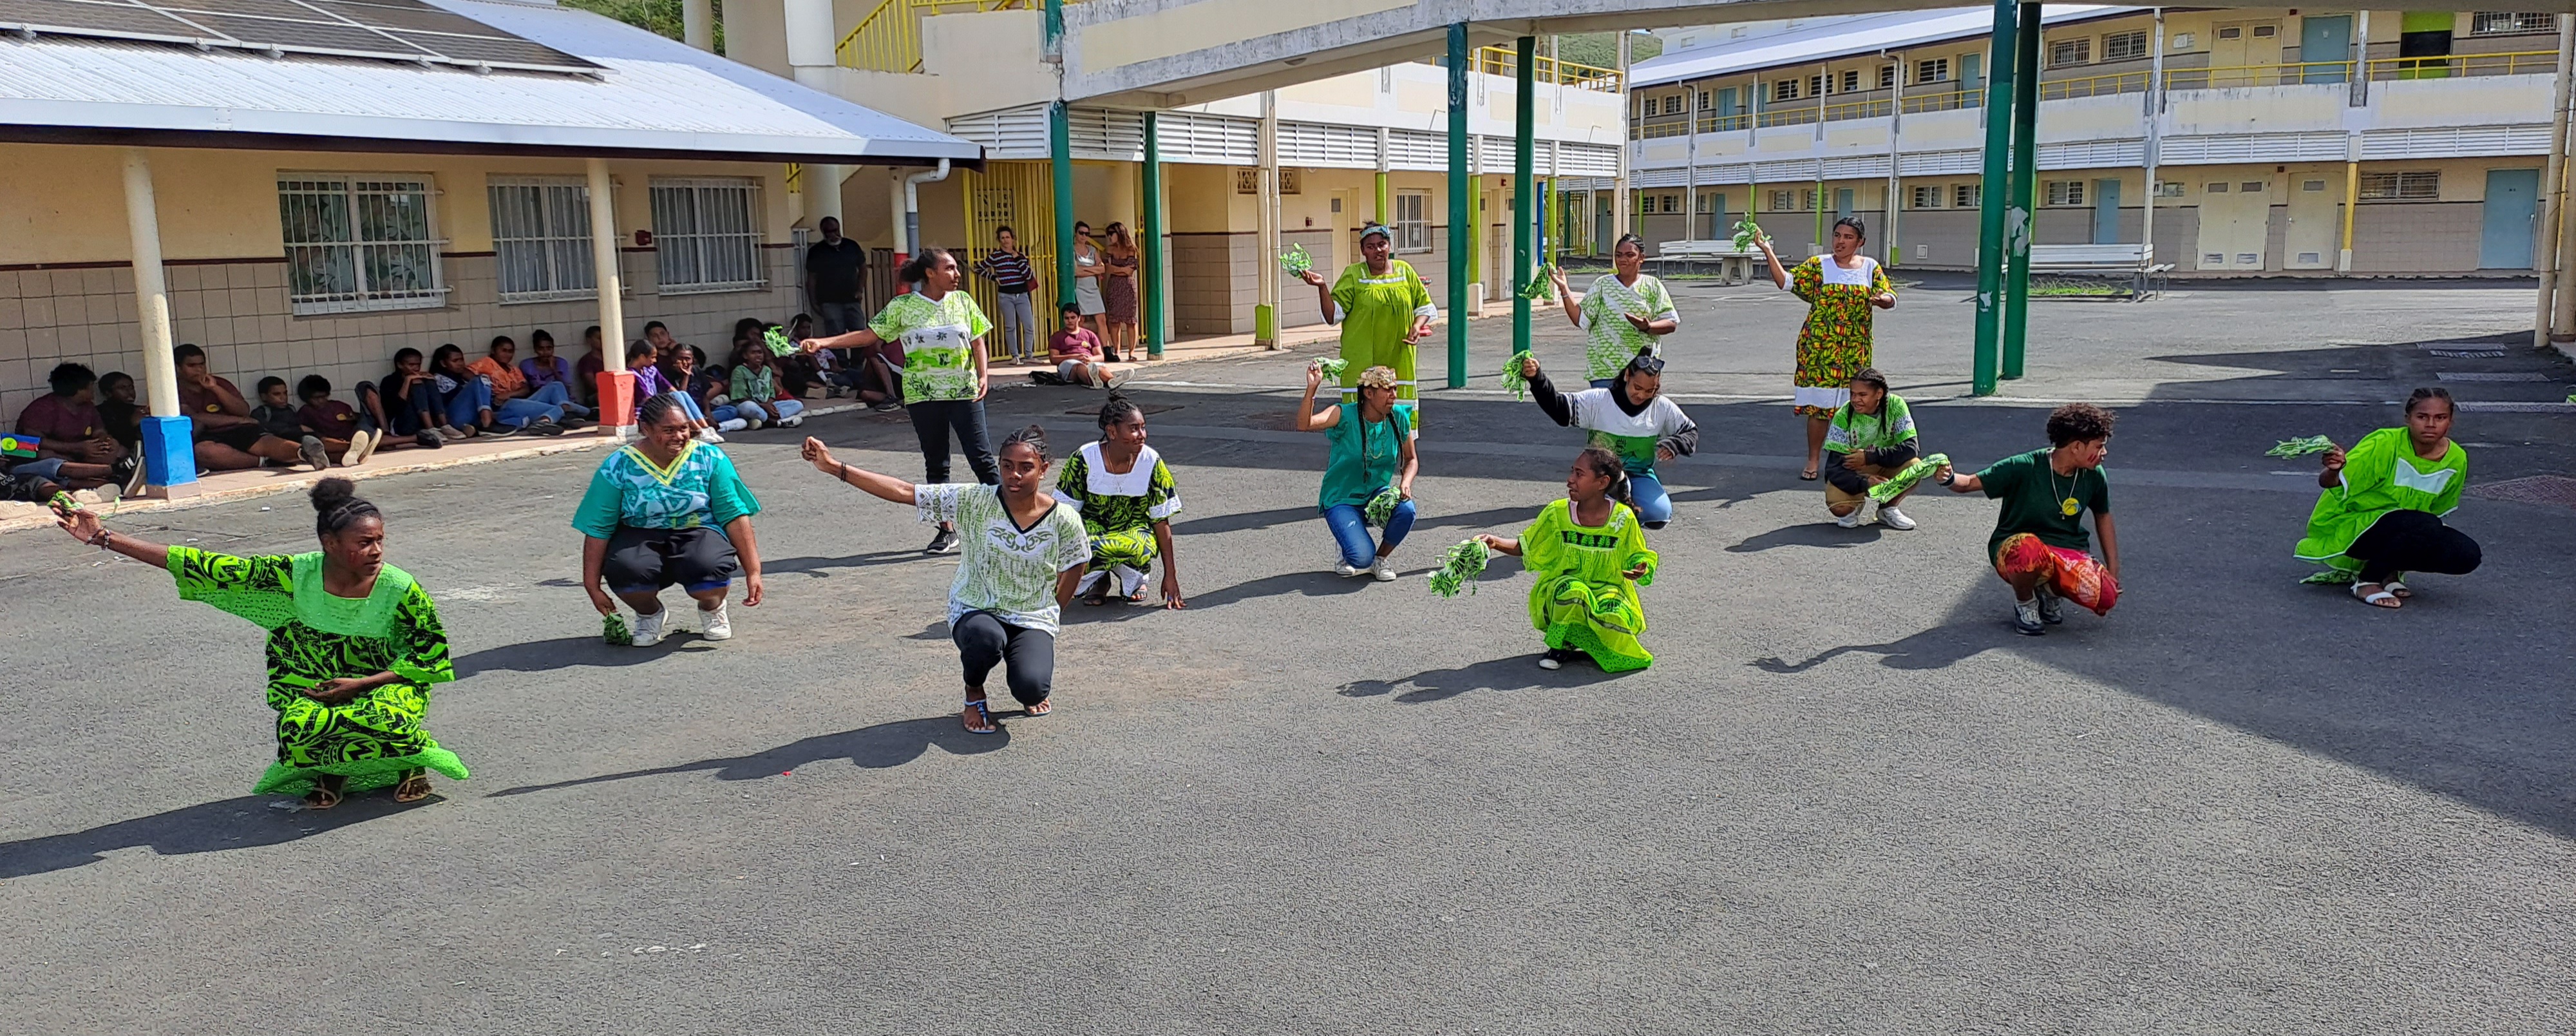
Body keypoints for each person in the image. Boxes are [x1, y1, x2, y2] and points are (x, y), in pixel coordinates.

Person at [50, 479, 467, 807]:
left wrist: (361, 684)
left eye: (380, 541)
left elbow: (429, 655)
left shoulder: (400, 587)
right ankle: (332, 772)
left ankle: (411, 766)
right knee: (301, 725)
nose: (376, 551)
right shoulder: (295, 574)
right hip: (316, 681)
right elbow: (207, 566)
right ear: (331, 544)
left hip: (385, 682)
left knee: (383, 718)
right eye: (364, 543)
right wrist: (105, 537)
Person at [802, 425, 1088, 735]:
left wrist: (1053, 609)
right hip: (977, 607)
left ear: (1043, 470)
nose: (1014, 475)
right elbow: (904, 491)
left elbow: (1077, 563)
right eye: (1007, 466)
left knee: (1032, 688)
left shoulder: (1063, 518)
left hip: (1031, 616)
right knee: (986, 640)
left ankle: (1023, 664)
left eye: (1026, 468)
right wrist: (834, 467)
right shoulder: (973, 500)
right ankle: (974, 691)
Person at [799, 247, 997, 555]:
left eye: (956, 268)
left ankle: (1006, 520)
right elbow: (869, 335)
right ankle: (946, 531)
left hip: (964, 393)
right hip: (922, 395)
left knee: (982, 459)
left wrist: (983, 375)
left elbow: (977, 340)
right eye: (949, 268)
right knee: (937, 463)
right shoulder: (903, 306)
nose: (957, 274)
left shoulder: (963, 301)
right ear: (930, 273)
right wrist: (824, 342)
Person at [574, 394, 765, 646]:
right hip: (639, 532)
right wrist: (592, 586)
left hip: (698, 529)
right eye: (668, 430)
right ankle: (649, 614)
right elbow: (599, 525)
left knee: (708, 570)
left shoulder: (710, 458)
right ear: (646, 429)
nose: (679, 436)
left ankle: (712, 609)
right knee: (627, 571)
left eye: (684, 428)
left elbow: (734, 514)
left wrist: (753, 572)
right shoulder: (619, 465)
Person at [1934, 403, 2121, 636]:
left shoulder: (2094, 475)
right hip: (2018, 548)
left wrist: (2113, 571)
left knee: (2105, 596)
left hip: (2065, 550)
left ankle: (2049, 592)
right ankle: (2026, 604)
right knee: (2028, 551)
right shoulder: (2024, 466)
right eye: (2099, 446)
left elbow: (2103, 516)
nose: (2104, 453)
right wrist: (1948, 478)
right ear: (2076, 447)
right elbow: (1969, 483)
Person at [1475, 447, 1660, 673]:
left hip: (1608, 588)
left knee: (1614, 613)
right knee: (1573, 593)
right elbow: (1526, 545)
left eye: (1579, 474)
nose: (1570, 480)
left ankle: (1596, 643)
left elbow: (1638, 554)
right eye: (1572, 471)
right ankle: (1560, 645)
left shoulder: (1623, 519)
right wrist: (1494, 542)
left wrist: (1641, 567)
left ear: (1602, 483)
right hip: (1564, 586)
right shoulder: (1557, 513)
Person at [2295, 387, 2479, 608]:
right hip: (2353, 525)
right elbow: (2329, 483)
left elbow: (2438, 509)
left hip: (2410, 526)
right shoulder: (2384, 443)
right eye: (2422, 417)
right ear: (2408, 419)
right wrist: (2334, 469)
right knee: (2424, 524)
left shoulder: (2457, 458)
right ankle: (2367, 582)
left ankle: (2389, 571)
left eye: (2440, 418)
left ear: (2450, 421)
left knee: (2467, 554)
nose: (2431, 424)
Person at [1758, 216, 1897, 481]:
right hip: (1820, 350)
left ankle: (1854, 461)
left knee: (1857, 407)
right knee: (1819, 409)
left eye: (1848, 237)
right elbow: (1786, 281)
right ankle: (1813, 460)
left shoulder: (1870, 267)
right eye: (1837, 235)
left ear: (1861, 242)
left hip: (1855, 351)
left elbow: (1889, 296)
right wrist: (1767, 250)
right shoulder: (1819, 265)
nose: (1840, 242)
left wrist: (1884, 300)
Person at [1517, 350, 1695, 530]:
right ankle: (1594, 512)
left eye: (1651, 391)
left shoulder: (1662, 407)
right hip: (1600, 474)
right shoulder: (1599, 400)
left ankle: (1621, 521)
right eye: (1637, 388)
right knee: (1611, 503)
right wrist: (1537, 379)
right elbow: (1560, 409)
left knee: (1659, 514)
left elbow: (1690, 431)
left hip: (1639, 473)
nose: (1641, 395)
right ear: (1627, 376)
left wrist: (1675, 444)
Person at [1298, 224, 1435, 436]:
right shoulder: (1354, 275)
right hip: (1360, 365)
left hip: (1398, 362)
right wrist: (1322, 287)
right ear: (1363, 250)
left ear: (1389, 246)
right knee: (1361, 431)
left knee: (1398, 431)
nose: (1378, 250)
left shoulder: (1405, 272)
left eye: (1382, 244)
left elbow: (1425, 307)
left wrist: (1417, 326)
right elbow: (1332, 316)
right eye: (1371, 247)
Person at [1057, 393, 1184, 608]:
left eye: (1143, 428)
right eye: (1134, 429)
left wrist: (1170, 576)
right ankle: (1099, 580)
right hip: (1092, 527)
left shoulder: (1151, 462)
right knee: (1082, 545)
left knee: (1139, 546)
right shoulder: (1084, 459)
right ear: (1112, 432)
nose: (1142, 435)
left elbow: (1161, 521)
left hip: (1133, 528)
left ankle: (1136, 579)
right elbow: (1065, 516)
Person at [1297, 361, 1417, 580]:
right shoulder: (1343, 414)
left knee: (1407, 509)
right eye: (1387, 390)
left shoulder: (1399, 416)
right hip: (1341, 498)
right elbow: (1305, 424)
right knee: (1360, 557)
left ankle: (1380, 559)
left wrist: (1405, 483)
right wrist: (1312, 388)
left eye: (1395, 389)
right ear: (1369, 393)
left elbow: (1411, 459)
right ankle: (1346, 543)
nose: (1393, 395)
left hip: (1376, 495)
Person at [1548, 233, 1678, 387]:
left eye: (1630, 255)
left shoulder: (1653, 286)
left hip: (1642, 374)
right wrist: (1564, 289)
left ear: (1641, 258)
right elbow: (1580, 319)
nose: (1623, 259)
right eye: (1619, 255)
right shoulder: (1602, 285)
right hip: (1604, 373)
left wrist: (1648, 327)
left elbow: (1671, 322)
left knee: (1637, 403)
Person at [173, 344, 328, 472]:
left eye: (202, 365)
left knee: (265, 442)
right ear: (178, 368)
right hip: (208, 436)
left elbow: (243, 410)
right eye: (192, 366)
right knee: (204, 452)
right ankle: (266, 462)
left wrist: (215, 388)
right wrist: (239, 420)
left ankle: (304, 452)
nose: (199, 370)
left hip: (238, 430)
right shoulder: (173, 390)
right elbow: (196, 418)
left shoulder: (219, 383)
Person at [15, 362, 143, 495]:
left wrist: (105, 441)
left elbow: (99, 431)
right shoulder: (42, 408)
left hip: (81, 455)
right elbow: (33, 443)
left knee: (118, 450)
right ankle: (118, 473)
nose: (93, 390)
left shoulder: (88, 406)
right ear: (77, 389)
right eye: (90, 386)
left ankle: (115, 479)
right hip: (55, 459)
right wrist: (77, 447)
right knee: (46, 456)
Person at [1821, 368, 1922, 530]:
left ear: (1879, 394)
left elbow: (1911, 448)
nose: (1855, 400)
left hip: (1885, 464)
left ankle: (1887, 509)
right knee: (1840, 507)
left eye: (1862, 395)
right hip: (1855, 470)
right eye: (1853, 394)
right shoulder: (1843, 416)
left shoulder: (1896, 406)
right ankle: (1855, 505)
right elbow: (1834, 469)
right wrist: (1865, 483)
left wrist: (1869, 457)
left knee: (1916, 466)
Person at [430, 343, 561, 437]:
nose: (460, 364)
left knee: (523, 418)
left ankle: (543, 423)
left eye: (461, 360)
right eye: (455, 361)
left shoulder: (462, 376)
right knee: (482, 379)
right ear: (443, 363)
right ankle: (487, 424)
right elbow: (450, 402)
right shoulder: (439, 378)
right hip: (454, 416)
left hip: (475, 417)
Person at [473, 335, 589, 428]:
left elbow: (525, 389)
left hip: (520, 402)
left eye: (510, 351)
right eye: (504, 351)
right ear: (493, 351)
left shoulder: (513, 369)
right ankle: (545, 422)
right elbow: (468, 374)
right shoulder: (486, 363)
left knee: (556, 385)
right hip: (503, 406)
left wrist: (508, 394)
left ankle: (566, 411)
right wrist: (488, 387)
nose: (507, 355)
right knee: (557, 408)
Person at [974, 225, 1042, 365]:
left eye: (1008, 237)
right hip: (1005, 295)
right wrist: (993, 277)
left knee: (1029, 325)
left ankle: (1029, 355)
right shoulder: (995, 256)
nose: (1005, 240)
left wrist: (1017, 259)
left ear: (1013, 239)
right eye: (1002, 238)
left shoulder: (1021, 256)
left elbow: (1028, 275)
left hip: (1022, 294)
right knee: (1010, 327)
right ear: (999, 240)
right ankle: (1015, 356)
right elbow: (979, 268)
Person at [249, 375, 352, 467]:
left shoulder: (290, 409)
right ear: (264, 397)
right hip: (286, 442)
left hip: (301, 437)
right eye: (277, 394)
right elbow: (263, 430)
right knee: (314, 444)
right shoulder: (262, 412)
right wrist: (298, 429)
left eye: (285, 393)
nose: (283, 398)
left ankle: (348, 449)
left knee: (319, 440)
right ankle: (347, 449)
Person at [368, 347, 450, 447]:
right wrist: (408, 381)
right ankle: (430, 428)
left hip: (420, 423)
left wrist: (430, 380)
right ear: (400, 365)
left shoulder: (422, 377)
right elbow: (396, 407)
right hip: (402, 425)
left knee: (429, 382)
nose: (416, 368)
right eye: (411, 365)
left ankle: (445, 426)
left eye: (418, 365)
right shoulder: (389, 381)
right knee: (416, 384)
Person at [298, 375, 388, 462]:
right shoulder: (306, 411)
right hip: (338, 442)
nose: (321, 401)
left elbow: (358, 418)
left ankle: (378, 438)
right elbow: (301, 428)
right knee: (322, 441)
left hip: (358, 432)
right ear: (307, 398)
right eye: (316, 398)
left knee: (364, 386)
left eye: (324, 397)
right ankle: (359, 447)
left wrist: (352, 417)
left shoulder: (338, 405)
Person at [804, 215, 868, 338]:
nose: (833, 234)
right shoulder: (816, 251)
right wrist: (814, 302)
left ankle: (859, 352)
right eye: (829, 232)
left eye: (835, 230)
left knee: (859, 333)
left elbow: (863, 268)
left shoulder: (852, 246)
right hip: (829, 301)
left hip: (852, 299)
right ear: (823, 232)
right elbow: (812, 278)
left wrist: (860, 290)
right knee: (836, 337)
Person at [726, 337, 807, 430]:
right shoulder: (739, 371)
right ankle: (776, 422)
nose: (758, 356)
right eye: (753, 353)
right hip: (750, 406)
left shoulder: (766, 370)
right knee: (749, 407)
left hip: (766, 406)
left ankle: (763, 420)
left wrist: (769, 405)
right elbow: (740, 397)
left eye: (760, 353)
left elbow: (771, 393)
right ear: (745, 356)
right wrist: (763, 406)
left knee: (797, 404)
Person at [1043, 302, 1121, 388]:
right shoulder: (1056, 337)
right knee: (1080, 367)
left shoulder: (1090, 334)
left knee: (1099, 368)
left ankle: (1113, 381)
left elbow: (1101, 356)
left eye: (1073, 318)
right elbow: (1053, 359)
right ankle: (1095, 381)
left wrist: (1090, 359)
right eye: (1067, 318)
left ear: (1079, 318)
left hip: (1089, 362)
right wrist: (1076, 357)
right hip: (1069, 364)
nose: (1070, 321)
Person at [1101, 222, 1141, 363]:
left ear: (1120, 233)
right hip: (1114, 286)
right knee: (1114, 320)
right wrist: (1122, 269)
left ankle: (1131, 352)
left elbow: (1130, 271)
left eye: (1112, 234)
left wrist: (1116, 269)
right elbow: (1107, 268)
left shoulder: (1131, 249)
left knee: (1131, 320)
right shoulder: (1110, 249)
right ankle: (1117, 350)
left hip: (1128, 286)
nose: (1110, 237)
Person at [1071, 220, 1110, 356]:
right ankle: (1080, 347)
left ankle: (1107, 349)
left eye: (1087, 234)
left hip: (1093, 288)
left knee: (1102, 319)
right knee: (1080, 320)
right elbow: (1076, 272)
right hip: (1079, 288)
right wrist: (1094, 270)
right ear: (1076, 233)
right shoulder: (1072, 250)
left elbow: (1103, 268)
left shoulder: (1093, 250)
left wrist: (1086, 269)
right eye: (1081, 233)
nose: (1084, 236)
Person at [95, 370, 145, 460]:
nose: (130, 392)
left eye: (131, 387)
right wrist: (131, 423)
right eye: (122, 388)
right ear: (108, 393)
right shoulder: (101, 412)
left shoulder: (139, 410)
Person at [520, 329, 578, 401]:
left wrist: (554, 369)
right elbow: (525, 389)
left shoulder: (561, 362)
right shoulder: (527, 365)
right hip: (540, 401)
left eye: (549, 348)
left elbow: (567, 388)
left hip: (562, 400)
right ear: (535, 349)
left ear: (553, 349)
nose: (545, 352)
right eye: (541, 349)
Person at [573, 325, 608, 408]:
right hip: (594, 398)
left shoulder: (611, 358)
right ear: (589, 340)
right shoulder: (586, 361)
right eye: (599, 338)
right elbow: (593, 384)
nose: (603, 341)